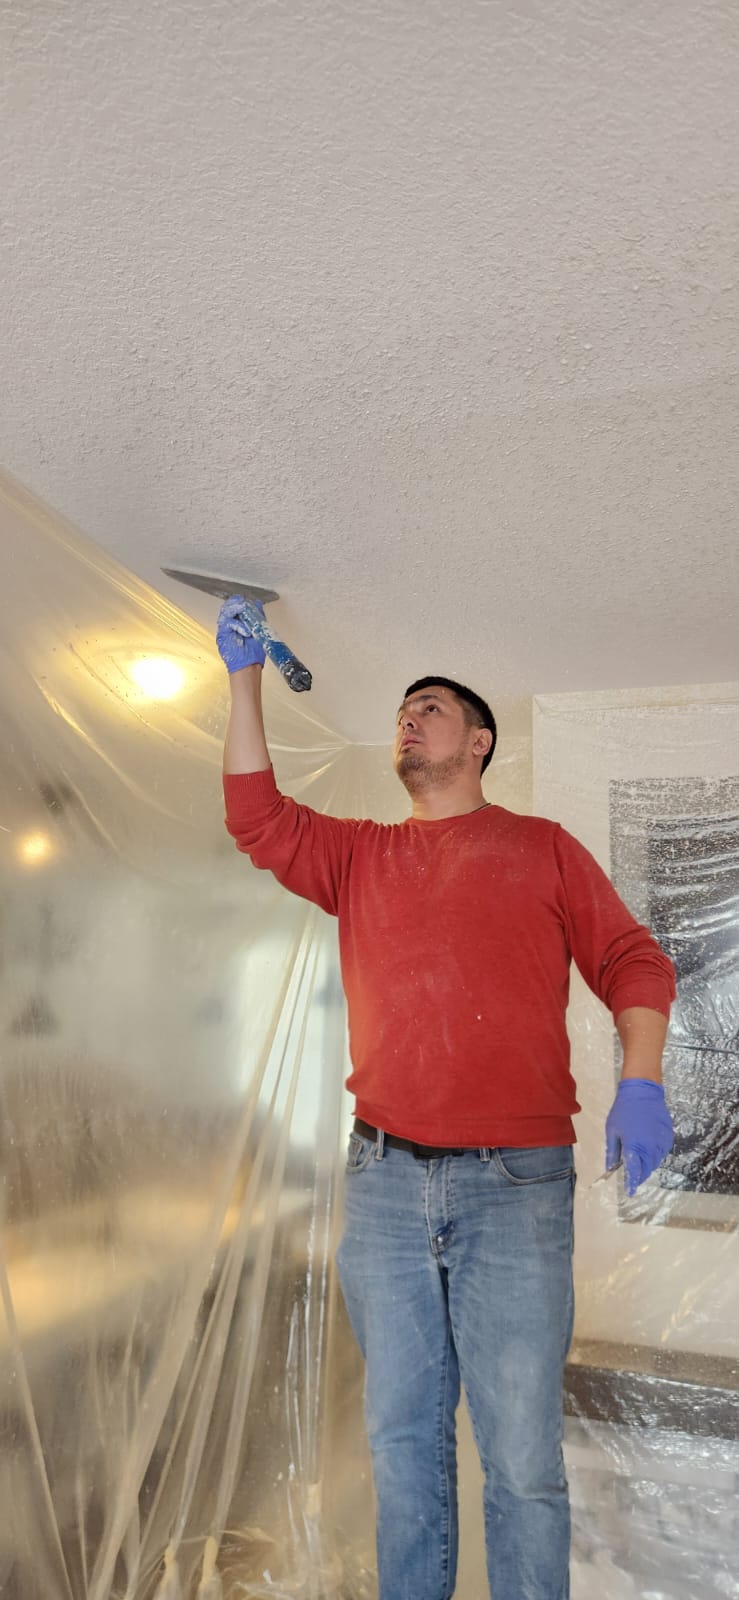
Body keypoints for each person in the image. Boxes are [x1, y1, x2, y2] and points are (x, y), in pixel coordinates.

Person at [216, 596, 676, 1600]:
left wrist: (638, 1080)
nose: (407, 718)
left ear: (477, 741)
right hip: (382, 1179)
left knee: (519, 1460)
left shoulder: (541, 846)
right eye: (401, 710)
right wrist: (242, 679)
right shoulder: (361, 856)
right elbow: (254, 817)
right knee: (402, 1446)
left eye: (429, 707)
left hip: (515, 1187)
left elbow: (632, 961)